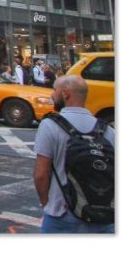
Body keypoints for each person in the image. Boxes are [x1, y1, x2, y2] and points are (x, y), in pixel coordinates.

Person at [33, 75, 114, 233]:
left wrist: (47, 205)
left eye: (54, 90)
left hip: (62, 214)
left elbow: (41, 174)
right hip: (104, 216)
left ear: (65, 93)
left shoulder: (50, 125)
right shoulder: (108, 130)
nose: (52, 94)